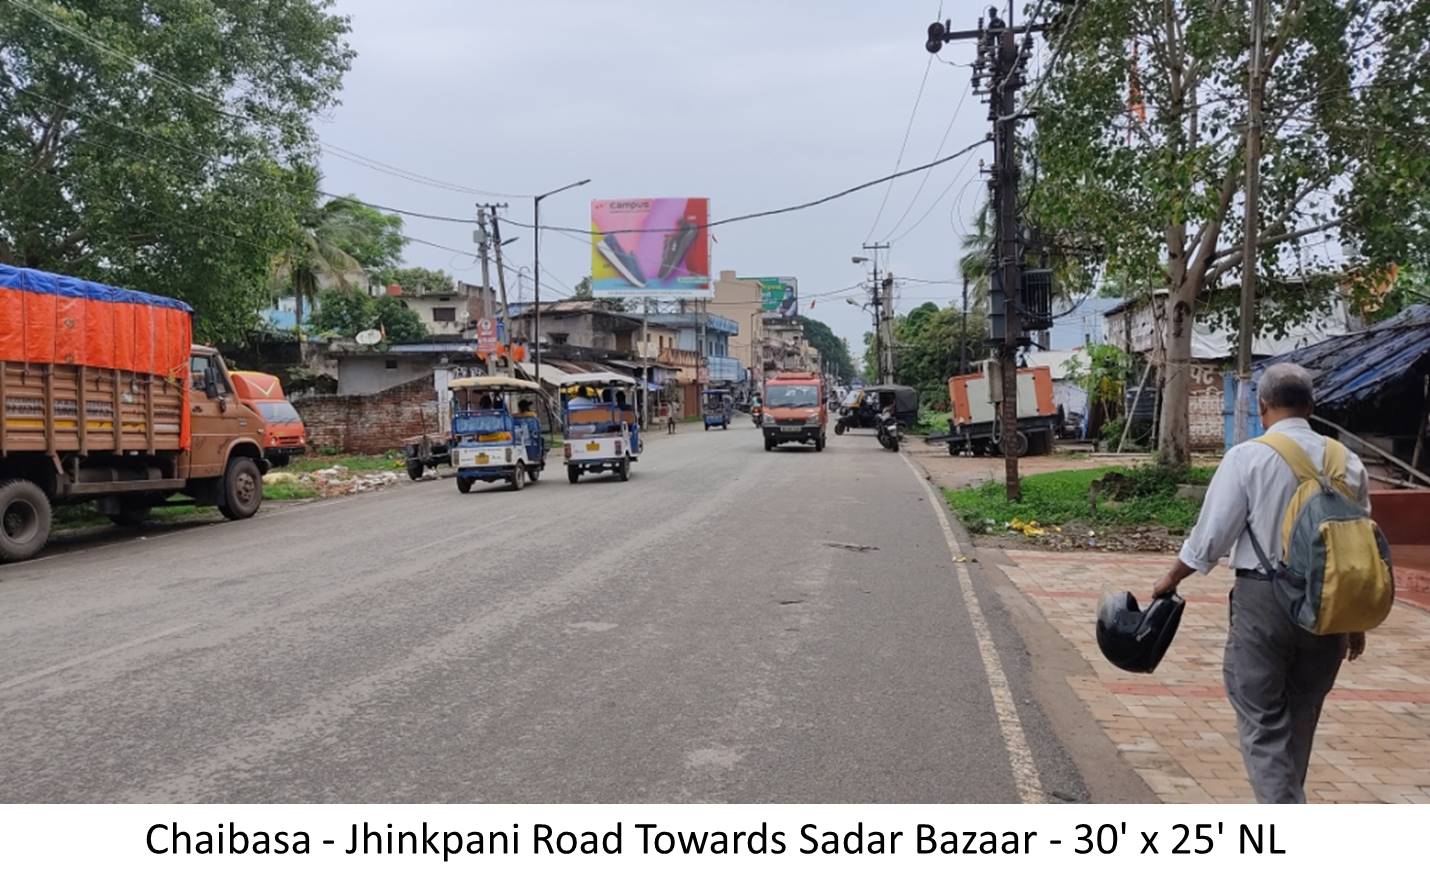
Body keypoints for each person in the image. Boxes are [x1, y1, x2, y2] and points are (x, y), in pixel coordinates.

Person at [1149, 362, 1369, 803]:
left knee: (1262, 719)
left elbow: (1211, 536)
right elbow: (1356, 546)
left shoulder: (1249, 457)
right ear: (1310, 405)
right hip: (1329, 607)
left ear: (1263, 406)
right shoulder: (1350, 462)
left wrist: (1170, 580)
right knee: (1302, 713)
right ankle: (1289, 801)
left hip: (1263, 602)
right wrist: (1354, 621)